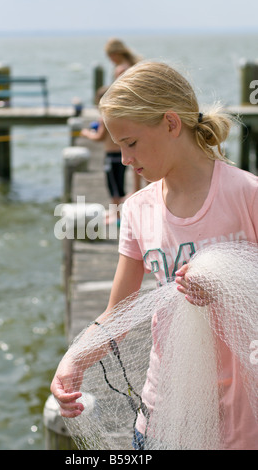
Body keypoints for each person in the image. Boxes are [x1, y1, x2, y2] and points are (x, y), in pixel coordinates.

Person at [51, 61, 258, 450]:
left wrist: (229, 286)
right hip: (164, 411)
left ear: (170, 123)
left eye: (130, 143)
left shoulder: (247, 194)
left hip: (243, 417)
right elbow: (119, 313)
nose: (125, 159)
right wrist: (74, 359)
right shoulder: (137, 210)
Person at [80, 86, 126, 224]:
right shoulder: (119, 115)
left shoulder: (104, 117)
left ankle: (117, 217)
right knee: (120, 185)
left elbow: (99, 137)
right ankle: (117, 213)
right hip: (121, 156)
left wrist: (87, 134)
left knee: (113, 187)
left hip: (111, 157)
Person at [105, 38, 143, 193]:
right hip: (139, 114)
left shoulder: (121, 70)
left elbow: (116, 95)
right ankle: (143, 191)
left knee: (131, 156)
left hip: (127, 115)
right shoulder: (136, 66)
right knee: (142, 156)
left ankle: (136, 193)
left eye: (109, 56)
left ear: (115, 54)